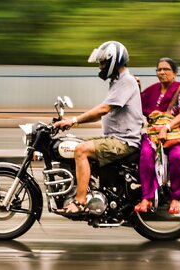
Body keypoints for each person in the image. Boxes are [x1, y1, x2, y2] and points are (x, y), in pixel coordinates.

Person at [53, 41, 144, 215]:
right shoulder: (118, 81)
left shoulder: (126, 81)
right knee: (74, 145)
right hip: (115, 138)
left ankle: (79, 202)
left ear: (113, 62)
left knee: (81, 150)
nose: (100, 67)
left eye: (103, 63)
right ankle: (89, 191)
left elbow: (103, 109)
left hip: (124, 141)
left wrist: (74, 120)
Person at [134, 57, 180, 214]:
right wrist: (137, 87)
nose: (161, 72)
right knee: (146, 155)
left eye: (166, 69)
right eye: (159, 69)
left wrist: (166, 127)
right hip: (154, 133)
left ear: (174, 73)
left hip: (176, 132)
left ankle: (176, 198)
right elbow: (138, 106)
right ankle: (146, 197)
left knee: (178, 156)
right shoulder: (153, 89)